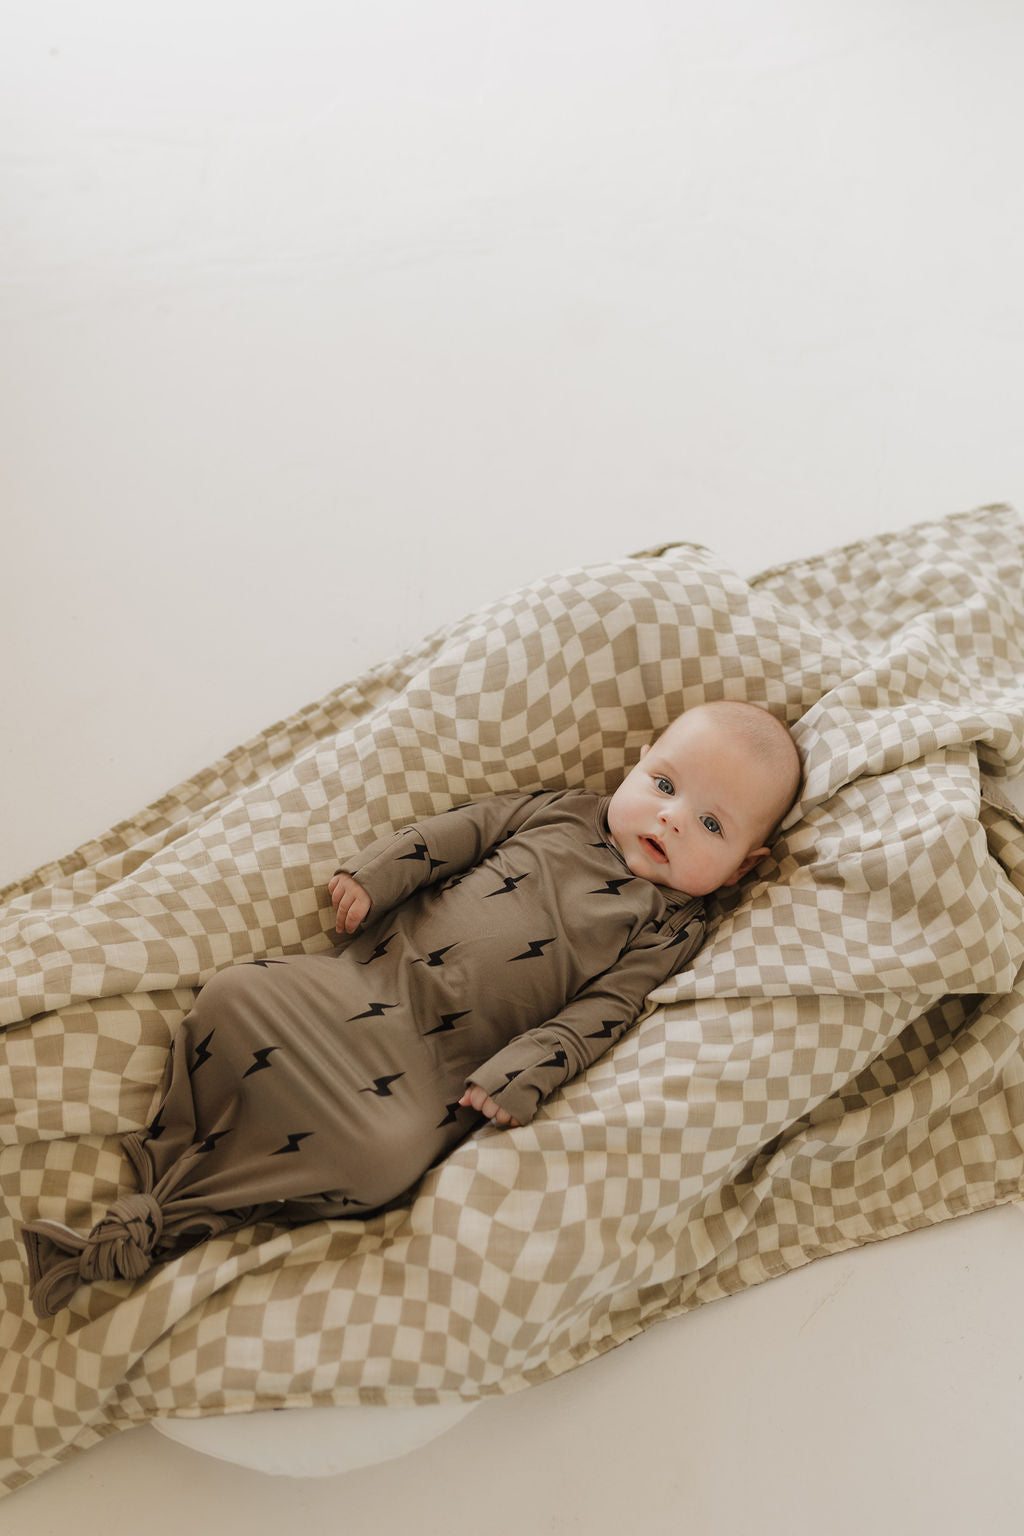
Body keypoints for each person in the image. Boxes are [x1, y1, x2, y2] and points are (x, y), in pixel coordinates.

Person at [22, 700, 801, 1318]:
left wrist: (521, 1076)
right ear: (636, 767)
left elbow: (600, 1016)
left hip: (423, 1077)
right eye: (665, 786)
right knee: (234, 993)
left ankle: (189, 1214)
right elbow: (461, 833)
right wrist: (377, 873)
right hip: (354, 986)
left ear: (746, 866)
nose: (670, 817)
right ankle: (172, 1155)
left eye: (710, 824)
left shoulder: (668, 928)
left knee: (381, 1162)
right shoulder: (563, 811)